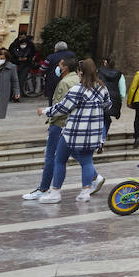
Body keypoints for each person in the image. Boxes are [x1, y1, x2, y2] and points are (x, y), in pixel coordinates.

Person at [37, 58, 110, 203]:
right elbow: (107, 106)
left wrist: (45, 111)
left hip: (74, 132)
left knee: (60, 159)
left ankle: (55, 192)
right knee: (87, 162)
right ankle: (85, 192)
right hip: (93, 133)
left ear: (80, 72)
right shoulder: (102, 88)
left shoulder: (77, 89)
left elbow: (62, 108)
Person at [21, 58, 77, 202]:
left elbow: (61, 107)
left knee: (51, 156)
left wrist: (46, 111)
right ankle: (94, 178)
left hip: (59, 124)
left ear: (64, 68)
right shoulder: (77, 80)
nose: (57, 67)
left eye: (59, 64)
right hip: (71, 124)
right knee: (79, 156)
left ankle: (44, 188)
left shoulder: (65, 82)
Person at [97, 57, 125, 143]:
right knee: (107, 119)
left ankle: (101, 138)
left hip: (102, 97)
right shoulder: (119, 74)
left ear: (105, 63)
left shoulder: (99, 72)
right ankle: (102, 138)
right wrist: (120, 99)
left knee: (104, 118)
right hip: (114, 99)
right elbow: (123, 91)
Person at [0, 48, 19, 137]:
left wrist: (16, 92)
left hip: (1, 93)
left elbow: (15, 80)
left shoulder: (11, 67)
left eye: (2, 58)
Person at [9, 28, 36, 95]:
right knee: (15, 80)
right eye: (21, 37)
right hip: (16, 64)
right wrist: (17, 59)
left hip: (25, 65)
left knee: (21, 80)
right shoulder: (14, 44)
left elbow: (32, 53)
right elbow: (10, 54)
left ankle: (18, 94)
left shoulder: (30, 44)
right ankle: (14, 93)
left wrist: (27, 59)